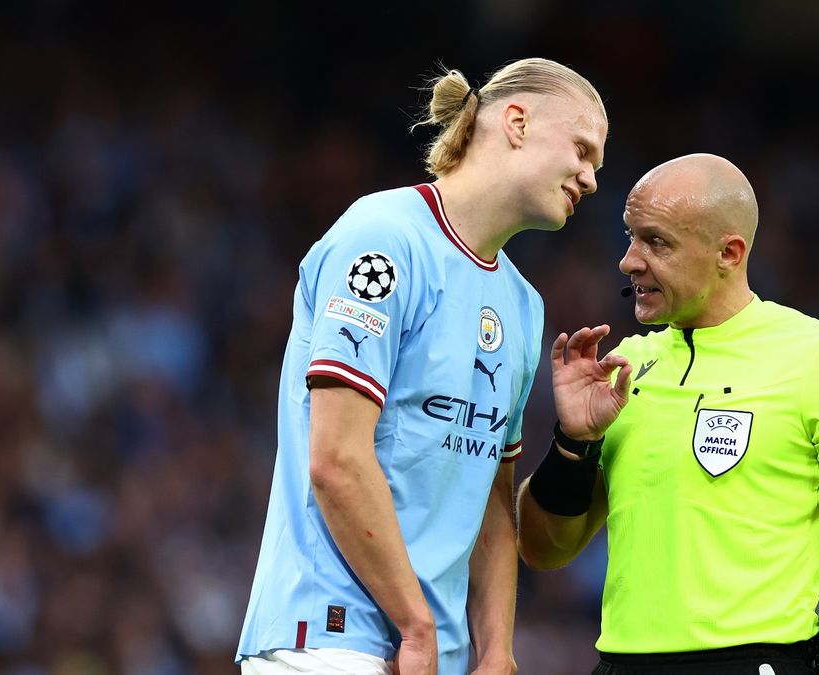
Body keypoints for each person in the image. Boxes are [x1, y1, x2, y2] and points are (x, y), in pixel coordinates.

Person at [237, 58, 607, 675]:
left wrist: (496, 651)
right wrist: (415, 626)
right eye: (582, 150)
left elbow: (491, 495)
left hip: (433, 655)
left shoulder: (522, 304)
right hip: (329, 639)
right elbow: (336, 459)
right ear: (517, 122)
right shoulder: (382, 238)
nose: (592, 179)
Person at [516, 154, 819, 675]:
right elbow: (543, 550)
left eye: (656, 242)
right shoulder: (625, 368)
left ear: (729, 252)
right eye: (630, 236)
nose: (629, 260)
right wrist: (573, 444)